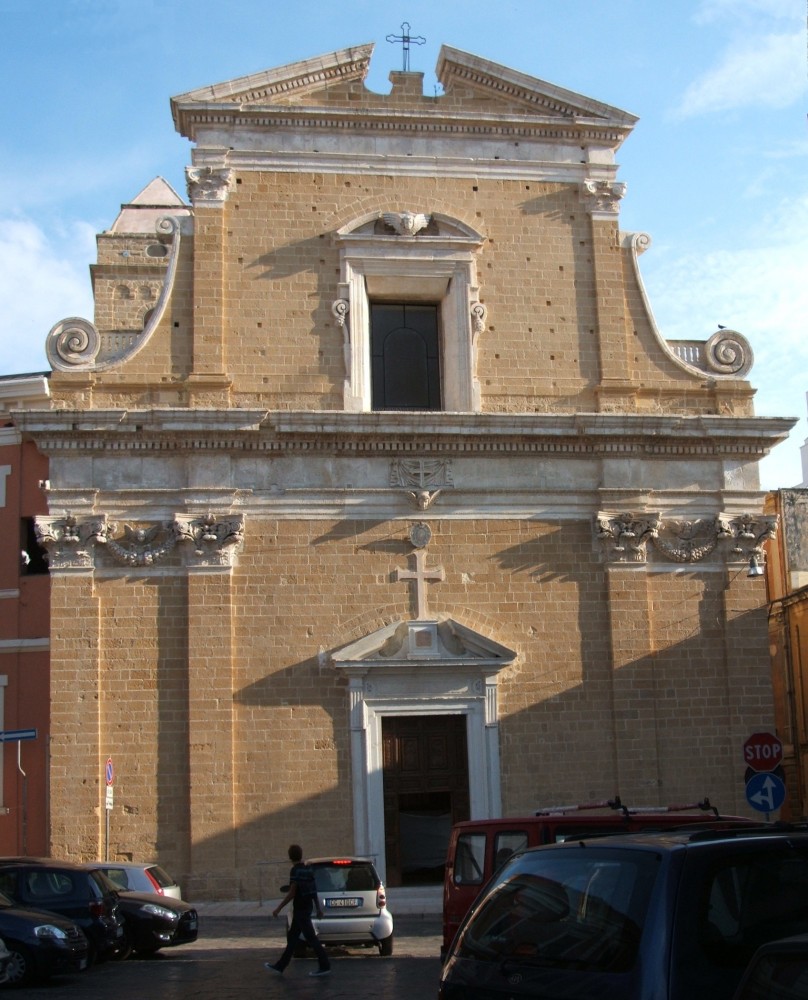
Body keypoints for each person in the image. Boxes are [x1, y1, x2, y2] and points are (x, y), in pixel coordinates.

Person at [265, 844, 331, 977]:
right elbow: (313, 891)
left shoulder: (295, 871)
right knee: (293, 938)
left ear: (290, 856)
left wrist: (278, 908)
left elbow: (292, 893)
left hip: (300, 909)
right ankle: (280, 966)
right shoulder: (308, 870)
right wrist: (318, 908)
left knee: (311, 938)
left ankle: (325, 965)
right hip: (307, 907)